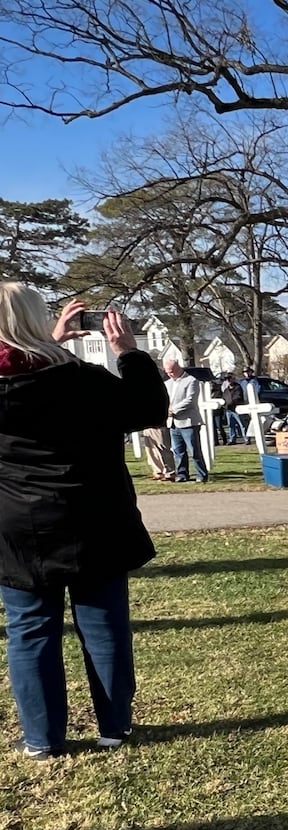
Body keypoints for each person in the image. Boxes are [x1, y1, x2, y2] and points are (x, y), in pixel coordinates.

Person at [0, 288, 167, 758]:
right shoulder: (84, 379)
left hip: (17, 522)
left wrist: (45, 345)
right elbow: (148, 410)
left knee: (30, 629)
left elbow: (23, 370)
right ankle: (114, 726)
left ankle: (41, 739)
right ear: (39, 321)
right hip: (95, 515)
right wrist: (129, 353)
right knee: (103, 624)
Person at [164, 360, 208, 483]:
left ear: (178, 368)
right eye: (167, 372)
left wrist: (174, 410)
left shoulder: (191, 381)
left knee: (194, 451)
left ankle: (201, 474)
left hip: (188, 422)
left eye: (171, 372)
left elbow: (190, 400)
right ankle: (182, 474)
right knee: (178, 451)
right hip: (173, 423)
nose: (170, 375)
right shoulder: (168, 384)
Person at [220, 373, 245, 445]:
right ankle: (232, 439)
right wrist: (224, 404)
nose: (228, 380)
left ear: (232, 379)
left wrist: (230, 402)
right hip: (228, 410)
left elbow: (238, 397)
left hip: (236, 409)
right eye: (227, 379)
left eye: (229, 378)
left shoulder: (238, 387)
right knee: (231, 425)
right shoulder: (226, 390)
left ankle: (246, 438)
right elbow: (223, 398)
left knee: (241, 424)